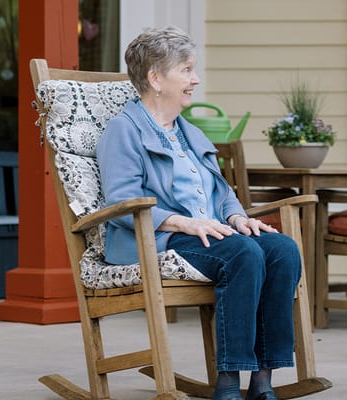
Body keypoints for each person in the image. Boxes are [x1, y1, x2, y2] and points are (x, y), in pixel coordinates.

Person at [96, 26, 301, 400]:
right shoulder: (123, 130)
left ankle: (262, 382)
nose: (196, 79)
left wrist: (237, 217)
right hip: (159, 240)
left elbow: (220, 192)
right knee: (243, 253)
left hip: (209, 234)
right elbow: (119, 202)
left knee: (283, 250)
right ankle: (227, 382)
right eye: (187, 70)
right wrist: (184, 222)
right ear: (156, 78)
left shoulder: (188, 131)